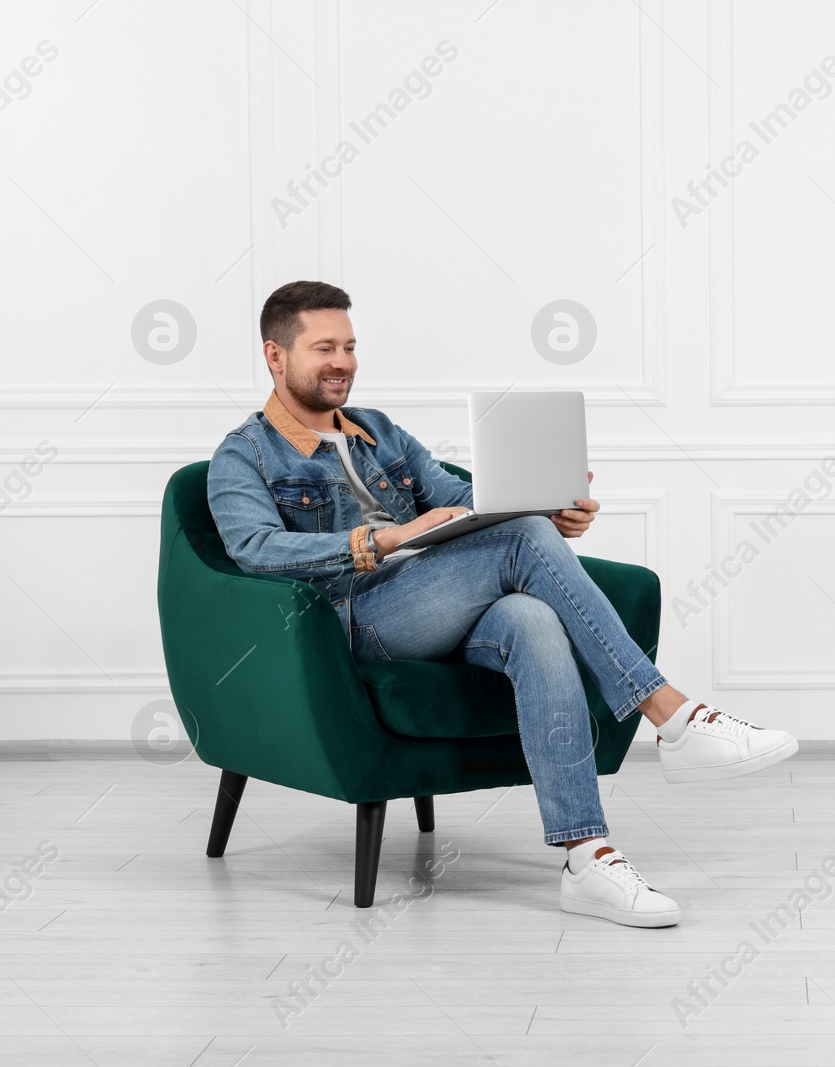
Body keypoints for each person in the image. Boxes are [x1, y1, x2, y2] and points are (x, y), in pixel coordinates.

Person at [207, 280, 797, 928]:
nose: (342, 360)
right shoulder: (245, 453)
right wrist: (386, 537)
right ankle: (674, 717)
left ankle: (587, 856)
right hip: (355, 620)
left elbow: (463, 493)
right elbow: (255, 549)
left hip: (435, 599)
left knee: (532, 615)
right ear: (275, 355)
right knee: (522, 541)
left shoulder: (377, 432)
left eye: (349, 345)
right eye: (324, 347)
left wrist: (547, 504)